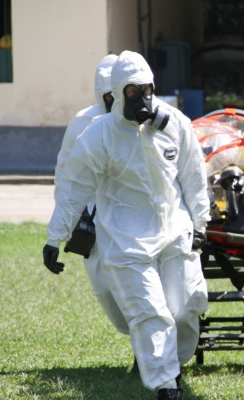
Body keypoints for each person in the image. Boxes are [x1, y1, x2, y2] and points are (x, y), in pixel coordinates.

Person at [42, 50, 210, 400]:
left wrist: (201, 221)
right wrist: (55, 237)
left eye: (146, 89)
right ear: (118, 93)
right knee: (151, 313)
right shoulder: (99, 133)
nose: (141, 98)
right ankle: (167, 386)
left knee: (185, 308)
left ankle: (173, 367)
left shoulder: (174, 123)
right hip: (126, 238)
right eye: (131, 92)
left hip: (174, 231)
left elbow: (193, 175)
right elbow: (73, 186)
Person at [54, 54, 132, 336]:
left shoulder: (142, 119)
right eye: (109, 96)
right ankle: (136, 336)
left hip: (134, 217)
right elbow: (66, 176)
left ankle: (148, 349)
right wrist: (62, 229)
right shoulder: (82, 123)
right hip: (93, 223)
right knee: (105, 288)